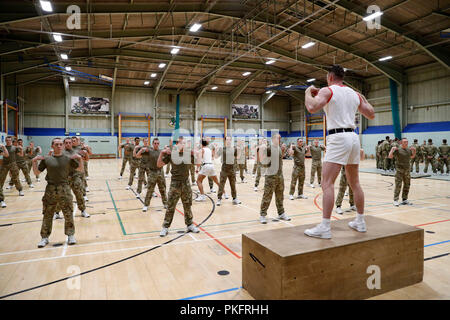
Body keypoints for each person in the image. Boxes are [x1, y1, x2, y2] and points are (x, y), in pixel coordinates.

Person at [303, 64, 375, 239]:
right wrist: (362, 98)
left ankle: (325, 227)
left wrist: (307, 92)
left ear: (329, 77)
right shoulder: (354, 94)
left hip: (338, 137)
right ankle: (360, 221)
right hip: (353, 138)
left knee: (327, 183)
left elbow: (311, 108)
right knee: (355, 183)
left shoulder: (328, 91)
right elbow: (371, 113)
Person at [33, 138, 83, 248]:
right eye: (57, 144)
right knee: (47, 214)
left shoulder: (68, 158)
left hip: (64, 188)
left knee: (68, 213)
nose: (59, 146)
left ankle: (71, 235)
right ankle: (44, 237)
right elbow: (36, 172)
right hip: (50, 189)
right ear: (52, 146)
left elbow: (80, 169)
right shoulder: (47, 159)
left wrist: (80, 159)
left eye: (61, 144)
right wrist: (34, 162)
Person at [157, 136, 199, 237]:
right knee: (170, 206)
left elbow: (198, 164)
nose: (182, 145)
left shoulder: (188, 154)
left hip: (186, 183)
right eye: (180, 143)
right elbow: (159, 165)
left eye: (184, 143)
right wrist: (162, 153)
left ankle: (189, 224)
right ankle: (165, 227)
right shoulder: (171, 154)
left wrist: (195, 153)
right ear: (177, 144)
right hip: (175, 183)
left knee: (187, 205)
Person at [258, 133, 290, 224]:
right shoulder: (269, 148)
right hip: (271, 176)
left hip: (280, 176)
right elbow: (262, 157)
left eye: (279, 138)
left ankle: (281, 213)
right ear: (272, 139)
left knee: (280, 196)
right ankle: (263, 215)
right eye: (276, 138)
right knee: (267, 196)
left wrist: (283, 151)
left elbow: (280, 158)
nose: (278, 140)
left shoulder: (279, 148)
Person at [57, 137, 89, 218]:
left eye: (69, 142)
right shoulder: (60, 152)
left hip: (75, 176)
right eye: (66, 143)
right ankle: (56, 213)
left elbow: (86, 159)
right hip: (64, 178)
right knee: (62, 196)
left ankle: (83, 210)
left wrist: (85, 154)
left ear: (72, 143)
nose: (68, 144)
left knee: (79, 194)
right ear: (64, 144)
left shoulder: (78, 151)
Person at [137, 138, 167, 212]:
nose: (156, 145)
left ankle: (165, 204)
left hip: (160, 172)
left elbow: (167, 160)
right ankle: (146, 205)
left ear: (159, 144)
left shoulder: (161, 152)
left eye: (157, 143)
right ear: (153, 144)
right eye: (155, 143)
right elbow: (137, 156)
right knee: (150, 190)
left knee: (162, 189)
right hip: (152, 172)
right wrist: (141, 150)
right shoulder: (149, 151)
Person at [389, 138, 416, 206]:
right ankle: (395, 200)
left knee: (407, 185)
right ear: (401, 142)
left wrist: (414, 151)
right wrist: (392, 150)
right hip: (399, 170)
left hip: (407, 170)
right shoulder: (398, 149)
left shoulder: (408, 150)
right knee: (398, 185)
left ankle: (405, 199)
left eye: (407, 142)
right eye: (404, 142)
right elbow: (390, 156)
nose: (406, 143)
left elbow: (412, 156)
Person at [216, 136, 241, 206]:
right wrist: (215, 149)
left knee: (233, 185)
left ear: (231, 141)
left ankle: (234, 198)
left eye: (230, 140)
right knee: (221, 185)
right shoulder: (222, 149)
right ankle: (219, 198)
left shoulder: (234, 149)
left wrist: (239, 151)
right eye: (227, 140)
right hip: (224, 170)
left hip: (232, 170)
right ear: (225, 141)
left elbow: (237, 157)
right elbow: (216, 156)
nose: (228, 141)